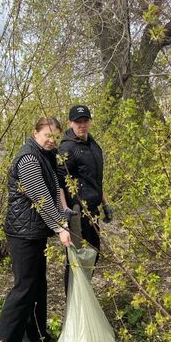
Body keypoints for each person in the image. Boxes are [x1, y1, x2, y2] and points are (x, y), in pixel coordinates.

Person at [0, 117, 71, 342]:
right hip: (22, 235)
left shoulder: (46, 154)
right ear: (35, 133)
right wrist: (60, 227)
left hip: (34, 231)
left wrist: (64, 213)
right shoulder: (29, 159)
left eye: (55, 136)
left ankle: (37, 335)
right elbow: (41, 197)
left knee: (38, 285)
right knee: (24, 289)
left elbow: (55, 188)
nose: (52, 140)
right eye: (47, 135)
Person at [57, 105, 113, 291]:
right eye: (78, 122)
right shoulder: (66, 148)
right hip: (76, 212)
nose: (82, 125)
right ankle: (74, 300)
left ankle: (85, 293)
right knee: (77, 257)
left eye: (85, 121)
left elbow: (95, 179)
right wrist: (65, 209)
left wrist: (105, 204)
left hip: (93, 211)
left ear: (90, 121)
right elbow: (59, 183)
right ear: (70, 123)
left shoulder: (93, 145)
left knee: (93, 253)